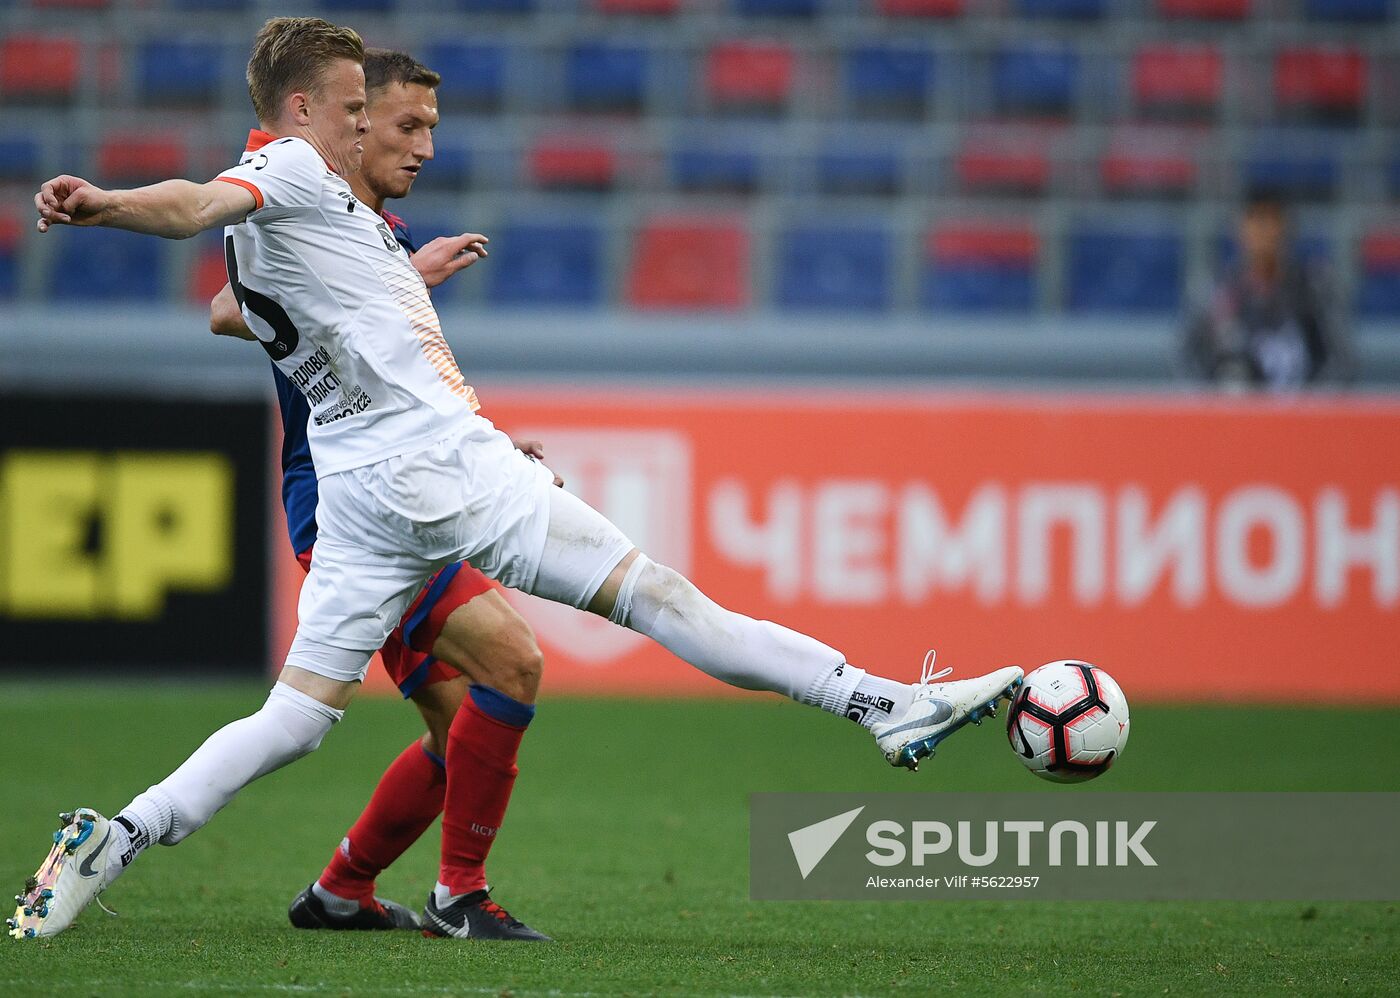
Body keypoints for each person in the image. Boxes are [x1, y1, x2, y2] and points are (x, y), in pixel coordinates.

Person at [17, 16, 1022, 943]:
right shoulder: (289, 168)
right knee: (663, 600)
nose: (368, 126)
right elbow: (196, 202)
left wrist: (405, 277)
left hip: (362, 486)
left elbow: (249, 300)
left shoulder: (310, 218)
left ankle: (122, 832)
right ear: (299, 111)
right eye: (356, 109)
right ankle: (880, 704)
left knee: (295, 716)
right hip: (435, 463)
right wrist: (105, 203)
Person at [207, 47, 555, 939]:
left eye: (427, 126)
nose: (421, 145)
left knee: (457, 731)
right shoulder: (307, 221)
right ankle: (459, 896)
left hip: (396, 486)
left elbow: (414, 389)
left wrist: (486, 446)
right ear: (347, 131)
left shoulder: (380, 241)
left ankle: (340, 893)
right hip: (350, 501)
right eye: (402, 124)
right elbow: (220, 308)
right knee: (509, 665)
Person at [1182, 191, 1352, 391]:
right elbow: (1188, 357)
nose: (1263, 230)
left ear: (1287, 227)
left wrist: (1311, 405)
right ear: (1239, 227)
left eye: (1272, 219)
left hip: (1302, 411)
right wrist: (1216, 401)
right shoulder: (1217, 291)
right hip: (1236, 411)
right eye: (1255, 219)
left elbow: (1341, 360)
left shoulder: (1314, 288)